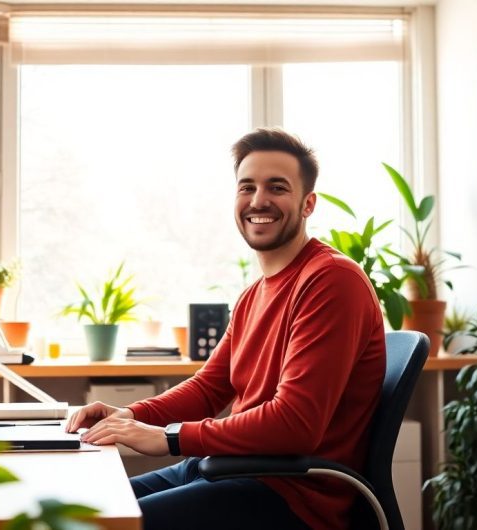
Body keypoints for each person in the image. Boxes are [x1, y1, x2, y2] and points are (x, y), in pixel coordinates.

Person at [66, 127, 386, 530]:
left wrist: (169, 438)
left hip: (287, 496)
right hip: (224, 469)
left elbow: (295, 424)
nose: (258, 200)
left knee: (96, 526)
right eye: (246, 187)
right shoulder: (254, 294)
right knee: (77, 510)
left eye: (277, 187)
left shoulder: (332, 280)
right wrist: (129, 414)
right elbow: (209, 388)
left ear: (308, 204)